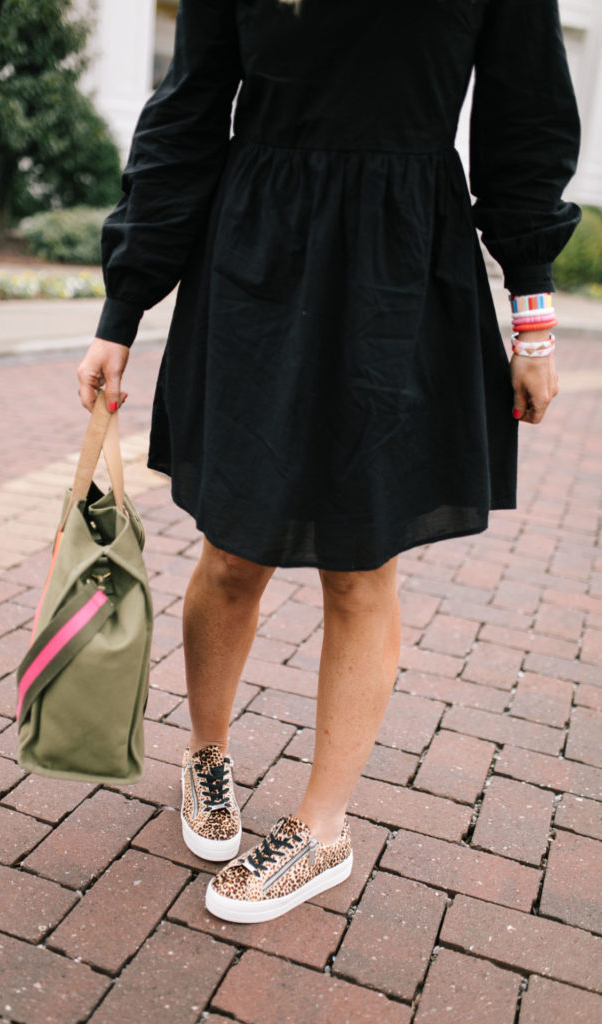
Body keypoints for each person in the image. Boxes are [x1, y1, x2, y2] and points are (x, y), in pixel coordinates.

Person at [77, 0, 580, 923]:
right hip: (255, 257)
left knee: (362, 562)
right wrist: (124, 307)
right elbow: (186, 114)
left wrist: (533, 320)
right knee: (233, 548)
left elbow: (528, 121)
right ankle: (206, 757)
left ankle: (321, 827)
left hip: (399, 265)